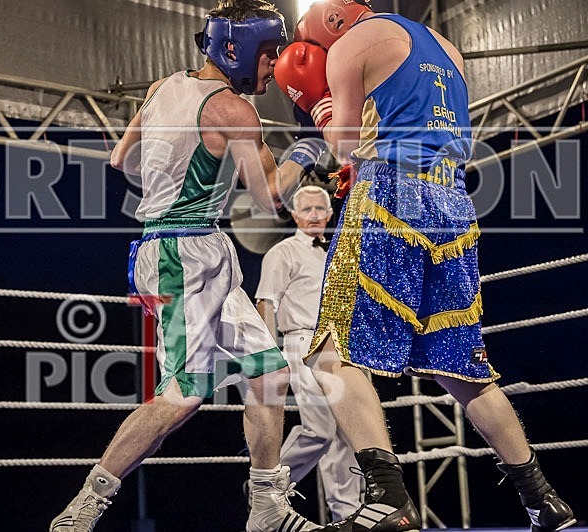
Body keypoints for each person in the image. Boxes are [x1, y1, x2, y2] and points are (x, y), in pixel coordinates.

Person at [270, 1, 578, 532]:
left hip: (389, 196)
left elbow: (343, 148)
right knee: (461, 368)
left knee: (330, 352)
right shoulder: (449, 51)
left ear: (332, 24)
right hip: (453, 205)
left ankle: (386, 498)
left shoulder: (349, 46)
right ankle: (543, 498)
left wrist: (323, 112)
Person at [49, 1, 330, 531]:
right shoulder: (231, 109)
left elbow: (121, 161)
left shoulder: (161, 87)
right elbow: (269, 197)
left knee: (269, 372)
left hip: (194, 245)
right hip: (182, 254)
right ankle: (84, 508)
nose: (273, 67)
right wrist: (309, 147)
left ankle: (268, 505)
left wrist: (178, 164)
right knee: (183, 394)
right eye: (268, 54)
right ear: (236, 50)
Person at [252, 185, 361, 523]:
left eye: (319, 209)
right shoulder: (282, 252)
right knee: (320, 428)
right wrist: (269, 356)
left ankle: (346, 513)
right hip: (300, 344)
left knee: (348, 433)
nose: (314, 215)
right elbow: (266, 302)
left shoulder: (341, 252)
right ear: (295, 215)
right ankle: (267, 486)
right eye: (307, 209)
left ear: (330, 214)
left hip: (342, 345)